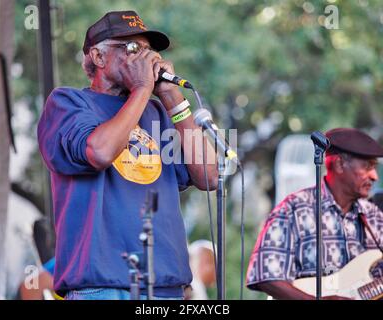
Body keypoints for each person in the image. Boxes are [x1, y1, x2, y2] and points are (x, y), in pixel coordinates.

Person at [37, 10, 218, 300]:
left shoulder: (157, 113)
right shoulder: (68, 102)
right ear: (98, 57)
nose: (146, 60)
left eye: (149, 51)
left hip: (168, 289)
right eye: (132, 49)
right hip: (103, 287)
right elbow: (100, 151)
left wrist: (172, 98)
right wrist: (144, 88)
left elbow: (209, 176)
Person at [246, 128, 383, 300]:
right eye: (367, 167)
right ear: (340, 164)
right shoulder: (293, 208)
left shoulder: (373, 215)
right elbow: (266, 276)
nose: (374, 176)